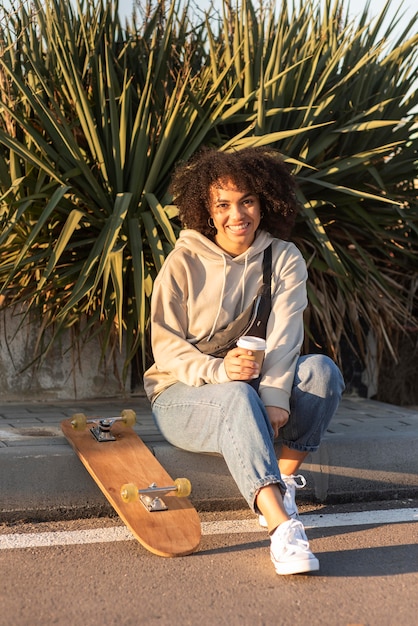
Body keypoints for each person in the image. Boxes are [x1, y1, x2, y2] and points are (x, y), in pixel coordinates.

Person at [143, 147, 345, 575]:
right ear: (207, 211)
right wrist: (218, 370)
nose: (238, 215)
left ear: (264, 201)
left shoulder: (284, 258)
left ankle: (282, 482)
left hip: (250, 388)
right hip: (182, 394)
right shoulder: (182, 263)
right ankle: (282, 528)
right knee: (235, 392)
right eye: (223, 205)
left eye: (247, 200)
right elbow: (166, 348)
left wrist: (275, 396)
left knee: (322, 373)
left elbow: (287, 338)